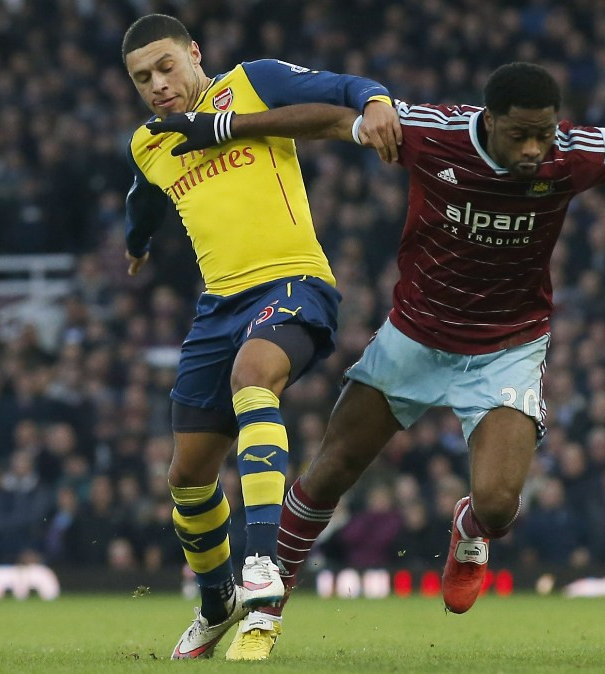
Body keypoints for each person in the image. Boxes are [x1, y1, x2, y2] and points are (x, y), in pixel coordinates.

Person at [148, 62, 605, 657]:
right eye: (521, 134)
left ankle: (469, 529)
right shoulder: (431, 133)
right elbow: (330, 120)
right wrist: (224, 129)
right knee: (328, 475)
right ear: (489, 119)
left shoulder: (573, 155)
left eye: (546, 133)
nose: (536, 149)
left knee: (502, 506)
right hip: (412, 338)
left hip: (506, 348)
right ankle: (267, 614)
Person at [119, 13, 400, 661]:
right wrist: (136, 244)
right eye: (143, 78)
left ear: (195, 54)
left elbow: (343, 87)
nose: (158, 85)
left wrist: (378, 100)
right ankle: (216, 600)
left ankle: (263, 573)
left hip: (293, 283)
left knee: (255, 377)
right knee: (187, 477)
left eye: (166, 67)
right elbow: (143, 198)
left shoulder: (252, 83)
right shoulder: (149, 142)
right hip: (218, 308)